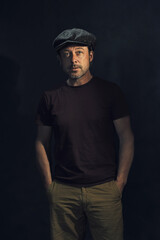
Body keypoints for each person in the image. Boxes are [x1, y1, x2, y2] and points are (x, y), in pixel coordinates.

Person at [35, 28, 134, 240]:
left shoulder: (110, 92)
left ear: (90, 56)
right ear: (60, 59)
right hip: (64, 191)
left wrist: (120, 183)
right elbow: (41, 142)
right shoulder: (50, 98)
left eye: (79, 52)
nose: (73, 60)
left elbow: (126, 137)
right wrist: (49, 186)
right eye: (67, 54)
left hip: (104, 189)